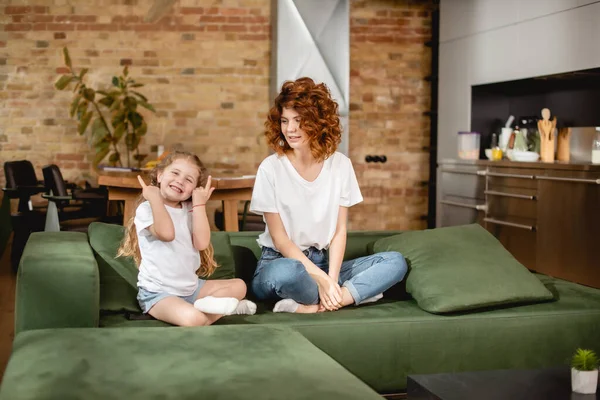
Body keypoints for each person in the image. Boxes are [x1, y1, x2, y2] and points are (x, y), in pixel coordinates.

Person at [249, 77, 408, 314]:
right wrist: (322, 281)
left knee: (395, 262)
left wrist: (331, 279)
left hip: (323, 263)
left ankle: (323, 302)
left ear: (318, 122)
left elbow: (338, 231)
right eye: (285, 121)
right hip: (279, 263)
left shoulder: (341, 165)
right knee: (288, 273)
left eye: (298, 121)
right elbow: (281, 241)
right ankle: (352, 295)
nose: (290, 129)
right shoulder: (270, 168)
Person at [117, 150, 256, 326]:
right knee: (194, 319)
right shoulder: (147, 209)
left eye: (189, 180)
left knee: (240, 286)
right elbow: (167, 234)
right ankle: (224, 310)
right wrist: (154, 198)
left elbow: (202, 243)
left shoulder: (190, 210)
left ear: (193, 190)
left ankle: (210, 306)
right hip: (159, 294)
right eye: (175, 173)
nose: (180, 181)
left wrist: (199, 204)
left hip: (192, 288)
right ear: (159, 176)